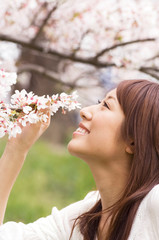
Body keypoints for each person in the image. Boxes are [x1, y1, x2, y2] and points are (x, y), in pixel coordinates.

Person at [0, 79, 159, 240]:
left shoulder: (154, 205)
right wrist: (17, 148)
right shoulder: (80, 220)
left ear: (133, 140)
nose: (84, 111)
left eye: (106, 106)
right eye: (99, 102)